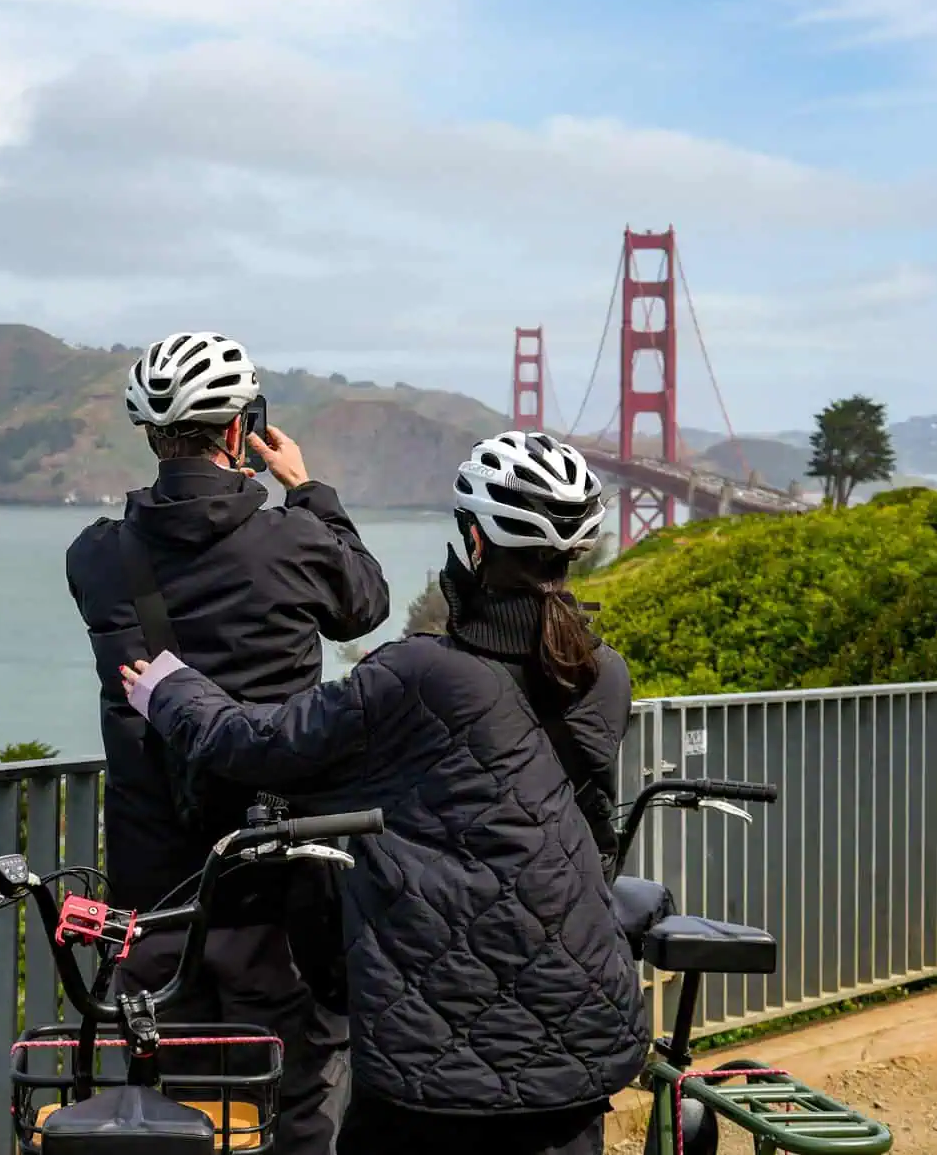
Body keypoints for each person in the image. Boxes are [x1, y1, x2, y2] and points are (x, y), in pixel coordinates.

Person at [120, 431, 647, 1155]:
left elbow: (261, 745)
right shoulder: (604, 673)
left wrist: (169, 688)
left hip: (434, 1053)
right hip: (580, 1034)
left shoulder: (419, 675)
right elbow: (589, 832)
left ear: (474, 541)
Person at [65, 329, 391, 1155]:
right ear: (242, 429)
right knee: (292, 1107)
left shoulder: (97, 557)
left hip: (152, 905)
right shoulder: (292, 539)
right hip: (273, 888)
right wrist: (306, 487)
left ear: (150, 433)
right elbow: (367, 603)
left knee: (172, 1116)